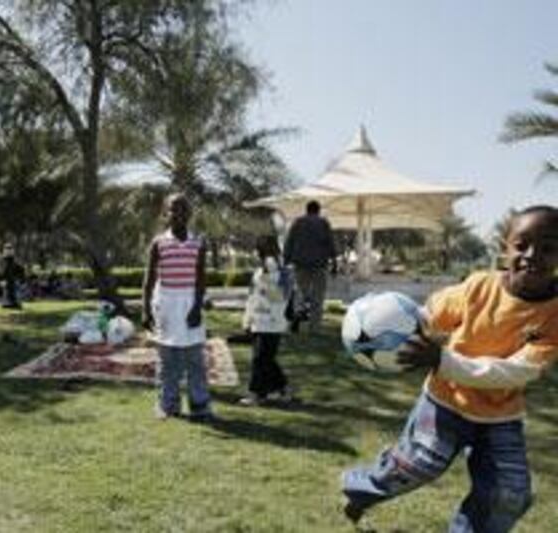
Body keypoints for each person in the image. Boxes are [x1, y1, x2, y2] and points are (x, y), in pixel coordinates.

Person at [341, 205, 558, 531]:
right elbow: (428, 315)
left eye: (548, 248)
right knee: (418, 466)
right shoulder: (479, 287)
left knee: (509, 493)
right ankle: (361, 489)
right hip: (445, 401)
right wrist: (393, 325)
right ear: (505, 247)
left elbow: (517, 371)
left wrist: (442, 361)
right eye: (522, 245)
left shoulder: (554, 314)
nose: (532, 255)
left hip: (501, 415)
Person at [142, 193, 212, 421]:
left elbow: (201, 280)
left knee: (194, 358)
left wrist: (196, 308)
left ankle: (200, 406)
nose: (178, 214)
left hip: (190, 302)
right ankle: (167, 404)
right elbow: (149, 279)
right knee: (167, 359)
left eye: (183, 209)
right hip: (166, 304)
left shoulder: (198, 243)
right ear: (166, 214)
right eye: (173, 209)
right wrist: (145, 309)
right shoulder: (158, 243)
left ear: (190, 214)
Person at [239, 235, 295, 406]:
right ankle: (283, 388)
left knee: (260, 359)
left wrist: (268, 277)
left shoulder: (283, 272)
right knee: (266, 359)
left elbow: (280, 298)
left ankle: (256, 394)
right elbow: (252, 297)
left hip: (274, 322)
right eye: (261, 250)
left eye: (264, 249)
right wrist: (246, 319)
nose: (262, 254)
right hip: (258, 321)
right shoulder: (257, 272)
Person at [283, 200, 337, 333]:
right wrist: (335, 262)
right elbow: (330, 243)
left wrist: (286, 259)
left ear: (306, 210)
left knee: (300, 293)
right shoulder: (323, 223)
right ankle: (314, 327)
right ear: (318, 210)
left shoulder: (297, 222)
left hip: (300, 263)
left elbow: (289, 241)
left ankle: (297, 313)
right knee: (318, 296)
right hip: (320, 264)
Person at [0, 243, 24, 309]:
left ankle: (14, 303)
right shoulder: (6, 262)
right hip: (9, 281)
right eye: (7, 249)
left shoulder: (11, 263)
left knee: (13, 291)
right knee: (8, 291)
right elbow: (4, 272)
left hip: (12, 281)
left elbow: (19, 269)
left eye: (9, 249)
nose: (8, 251)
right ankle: (10, 303)